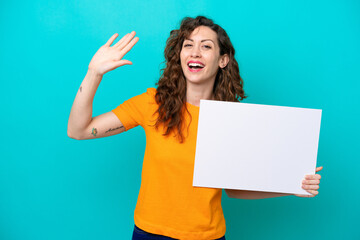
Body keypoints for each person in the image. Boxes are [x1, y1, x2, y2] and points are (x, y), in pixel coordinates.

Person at [68, 16, 323, 240]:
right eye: (188, 45)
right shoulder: (151, 104)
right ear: (180, 56)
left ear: (223, 60)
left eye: (206, 46)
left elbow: (234, 189)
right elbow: (79, 130)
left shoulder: (231, 119)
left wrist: (292, 185)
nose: (195, 52)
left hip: (207, 237)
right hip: (149, 235)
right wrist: (94, 73)